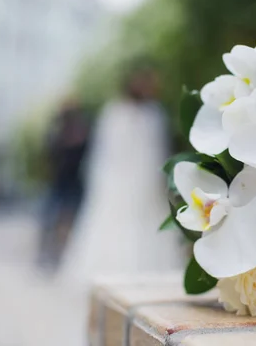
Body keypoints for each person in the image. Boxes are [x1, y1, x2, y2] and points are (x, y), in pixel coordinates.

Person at [59, 65, 185, 285]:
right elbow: (105, 153)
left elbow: (159, 152)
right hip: (118, 184)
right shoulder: (114, 112)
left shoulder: (155, 114)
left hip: (147, 183)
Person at [37, 98, 90, 271]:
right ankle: (50, 256)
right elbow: (50, 153)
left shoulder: (81, 130)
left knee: (67, 221)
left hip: (71, 183)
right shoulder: (56, 131)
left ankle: (61, 256)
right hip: (59, 183)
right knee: (52, 221)